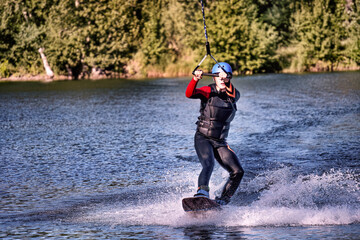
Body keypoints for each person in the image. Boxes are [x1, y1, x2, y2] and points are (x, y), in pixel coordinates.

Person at [185, 62, 244, 205]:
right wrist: (195, 79)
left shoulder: (233, 95)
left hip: (220, 142)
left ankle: (223, 201)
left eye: (226, 77)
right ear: (214, 78)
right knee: (208, 164)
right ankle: (202, 192)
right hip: (203, 137)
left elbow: (233, 93)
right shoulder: (207, 91)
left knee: (238, 172)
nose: (222, 80)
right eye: (219, 78)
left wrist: (225, 79)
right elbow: (189, 94)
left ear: (229, 78)